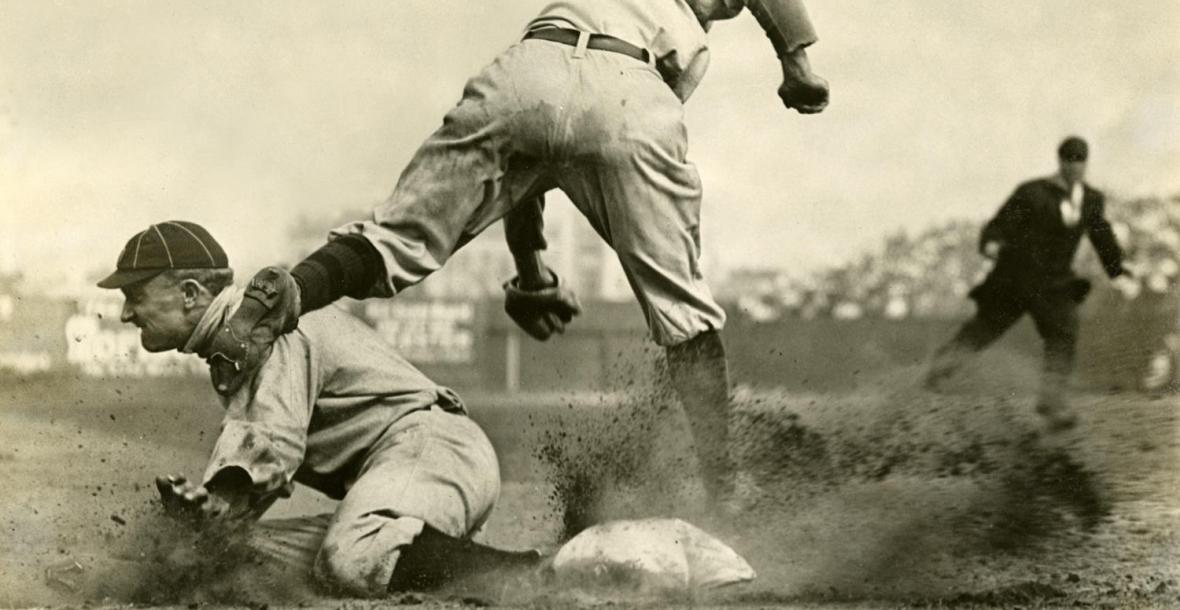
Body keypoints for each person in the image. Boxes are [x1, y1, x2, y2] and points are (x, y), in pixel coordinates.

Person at [204, 0, 831, 509]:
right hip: (629, 84)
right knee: (684, 312)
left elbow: (531, 171)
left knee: (394, 238)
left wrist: (532, 274)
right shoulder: (683, 30)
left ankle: (294, 288)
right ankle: (725, 490)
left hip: (525, 70)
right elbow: (598, 114)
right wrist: (797, 62)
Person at [97, 221, 541, 597]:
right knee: (231, 559)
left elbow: (271, 446)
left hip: (431, 450)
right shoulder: (239, 337)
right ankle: (431, 552)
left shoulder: (264, 326)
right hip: (405, 479)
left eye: (135, 295)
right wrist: (198, 529)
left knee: (351, 556)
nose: (126, 314)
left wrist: (217, 504)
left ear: (190, 292)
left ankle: (537, 575)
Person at [925, 136, 1135, 430]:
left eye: (1080, 160)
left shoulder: (1090, 199)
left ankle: (1052, 402)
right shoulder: (1033, 193)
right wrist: (993, 242)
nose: (1075, 166)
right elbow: (1000, 223)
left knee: (1064, 332)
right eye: (1070, 160)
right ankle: (935, 374)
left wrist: (1117, 271)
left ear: (1086, 164)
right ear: (1060, 162)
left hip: (1055, 284)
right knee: (984, 329)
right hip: (1016, 278)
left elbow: (1101, 235)